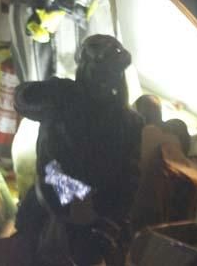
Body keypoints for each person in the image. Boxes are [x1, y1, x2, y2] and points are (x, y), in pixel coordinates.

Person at [13, 34, 143, 266]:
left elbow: (21, 98)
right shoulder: (130, 121)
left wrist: (100, 216)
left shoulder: (65, 98)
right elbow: (129, 183)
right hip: (83, 214)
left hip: (74, 216)